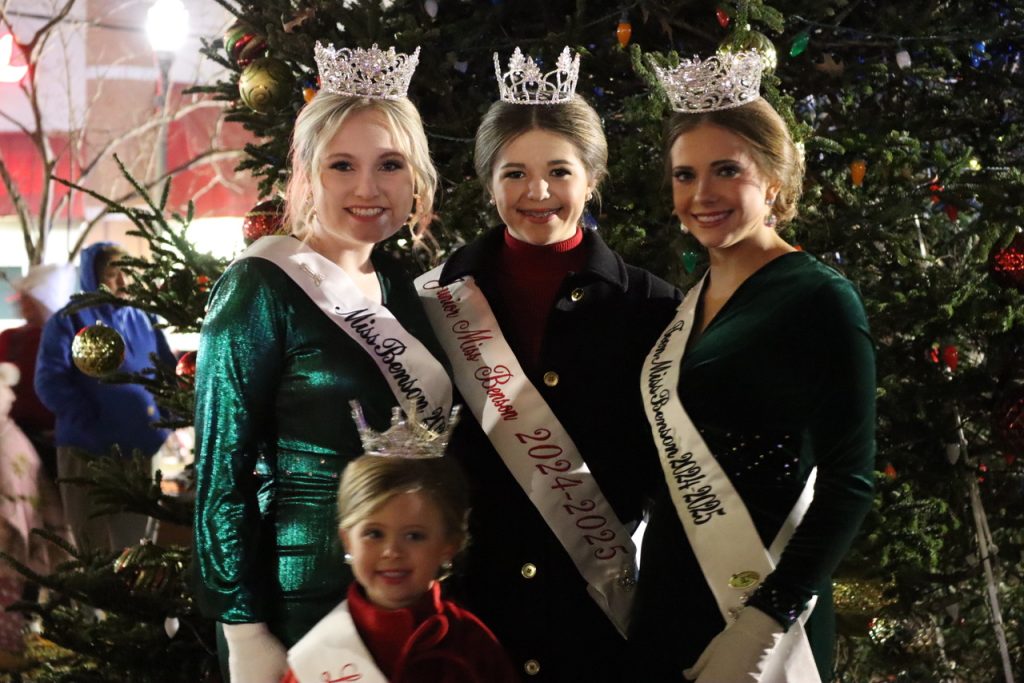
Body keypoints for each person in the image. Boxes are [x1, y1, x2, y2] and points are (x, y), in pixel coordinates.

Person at [415, 47, 681, 681]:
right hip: (468, 614)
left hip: (596, 621)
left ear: (592, 177)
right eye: (514, 173)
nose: (537, 193)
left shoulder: (652, 307)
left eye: (559, 171)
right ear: (488, 181)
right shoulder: (435, 302)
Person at [193, 42, 453, 683]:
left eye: (389, 164)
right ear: (308, 175)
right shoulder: (261, 287)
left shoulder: (405, 294)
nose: (368, 188)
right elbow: (221, 473)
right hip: (299, 609)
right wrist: (244, 626)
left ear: (415, 178)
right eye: (342, 165)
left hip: (410, 602)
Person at [631, 51, 876, 682]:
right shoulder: (685, 306)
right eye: (685, 175)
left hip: (768, 610)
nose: (701, 195)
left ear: (772, 179)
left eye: (726, 170)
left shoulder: (820, 297)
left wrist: (769, 619)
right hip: (667, 601)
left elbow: (850, 480)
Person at [281, 406, 516, 683]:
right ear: (347, 540)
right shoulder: (317, 658)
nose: (392, 552)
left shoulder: (474, 648)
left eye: (414, 536)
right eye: (374, 534)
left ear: (449, 544)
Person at [35, 242, 176, 554]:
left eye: (128, 272)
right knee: (93, 541)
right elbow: (49, 380)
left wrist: (167, 419)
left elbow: (167, 371)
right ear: (93, 277)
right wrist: (90, 420)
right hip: (88, 451)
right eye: (114, 274)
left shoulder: (142, 318)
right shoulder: (69, 320)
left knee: (138, 542)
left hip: (141, 448)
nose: (123, 281)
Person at [0, 263, 76, 481]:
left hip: (57, 440)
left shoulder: (69, 341)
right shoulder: (10, 338)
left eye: (29, 298)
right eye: (23, 298)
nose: (23, 304)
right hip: (15, 439)